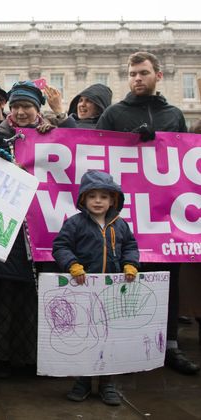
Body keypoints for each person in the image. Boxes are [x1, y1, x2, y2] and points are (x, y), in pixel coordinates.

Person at [96, 51, 198, 375]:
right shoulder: (114, 114)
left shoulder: (173, 115)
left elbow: (184, 167)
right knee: (125, 280)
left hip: (165, 219)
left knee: (168, 283)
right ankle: (125, 344)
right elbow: (93, 154)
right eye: (132, 74)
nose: (137, 79)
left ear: (158, 75)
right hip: (125, 220)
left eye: (143, 73)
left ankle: (170, 347)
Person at [0, 81, 76, 378]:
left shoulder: (50, 134)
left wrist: (59, 123)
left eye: (27, 107)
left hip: (42, 228)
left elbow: (78, 148)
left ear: (38, 109)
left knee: (31, 297)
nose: (21, 112)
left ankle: (27, 358)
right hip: (9, 230)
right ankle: (0, 357)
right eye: (16, 107)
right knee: (5, 294)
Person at [52, 170, 140, 406]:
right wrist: (72, 264)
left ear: (113, 200)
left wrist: (130, 264)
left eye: (104, 196)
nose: (98, 201)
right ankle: (82, 381)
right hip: (83, 293)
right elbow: (60, 246)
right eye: (92, 196)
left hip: (112, 295)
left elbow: (130, 246)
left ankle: (106, 383)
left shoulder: (120, 225)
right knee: (87, 337)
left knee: (109, 339)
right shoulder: (75, 223)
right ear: (83, 199)